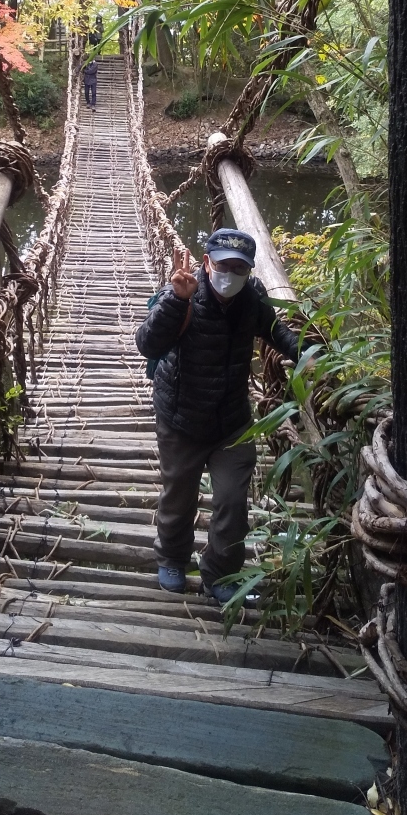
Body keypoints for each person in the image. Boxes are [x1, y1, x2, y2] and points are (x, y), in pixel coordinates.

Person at [135, 229, 308, 604]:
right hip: (181, 417)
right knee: (179, 494)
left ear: (248, 271)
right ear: (206, 262)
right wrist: (176, 304)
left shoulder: (251, 298)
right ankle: (173, 559)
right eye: (223, 265)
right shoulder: (179, 293)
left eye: (239, 269)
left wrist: (313, 351)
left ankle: (221, 574)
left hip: (232, 420)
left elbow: (276, 332)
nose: (230, 275)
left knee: (232, 500)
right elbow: (146, 343)